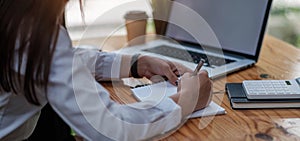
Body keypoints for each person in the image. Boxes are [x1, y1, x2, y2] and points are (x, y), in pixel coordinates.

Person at [0, 0, 212, 141]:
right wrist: (186, 100)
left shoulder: (13, 18)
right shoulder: (33, 36)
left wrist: (136, 64)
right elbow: (111, 128)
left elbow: (62, 60)